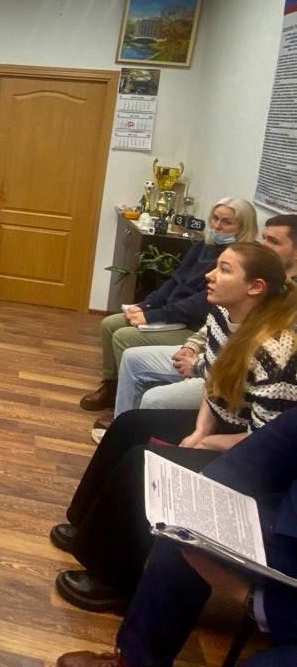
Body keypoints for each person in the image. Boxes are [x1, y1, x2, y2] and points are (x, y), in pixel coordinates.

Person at [52, 243, 297, 612]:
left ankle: (115, 581)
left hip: (252, 458)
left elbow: (265, 439)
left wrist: (207, 443)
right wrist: (200, 430)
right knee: (129, 426)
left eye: (224, 270)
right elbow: (213, 382)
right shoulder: (223, 315)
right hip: (220, 426)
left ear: (255, 286)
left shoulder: (278, 349)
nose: (209, 276)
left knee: (144, 462)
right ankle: (84, 524)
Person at [56, 407, 297, 667]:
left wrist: (251, 598)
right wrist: (203, 489)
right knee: (181, 530)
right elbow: (274, 444)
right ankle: (135, 659)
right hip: (281, 516)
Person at [104, 214, 297, 438]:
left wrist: (197, 366)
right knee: (131, 357)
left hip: (227, 380)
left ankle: (140, 436)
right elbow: (212, 327)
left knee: (153, 398)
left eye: (274, 241)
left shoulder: (276, 325)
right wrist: (192, 346)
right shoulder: (230, 294)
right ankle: (121, 424)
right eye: (264, 238)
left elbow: (238, 365)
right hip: (210, 365)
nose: (265, 245)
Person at [80, 197, 258, 412]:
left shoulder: (239, 262)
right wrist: (145, 306)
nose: (217, 226)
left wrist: (153, 316)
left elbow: (199, 305)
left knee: (123, 336)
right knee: (109, 324)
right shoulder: (204, 246)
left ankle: (129, 402)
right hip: (172, 315)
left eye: (227, 222)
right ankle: (111, 386)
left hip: (192, 325)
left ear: (244, 227)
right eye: (215, 218)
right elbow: (175, 281)